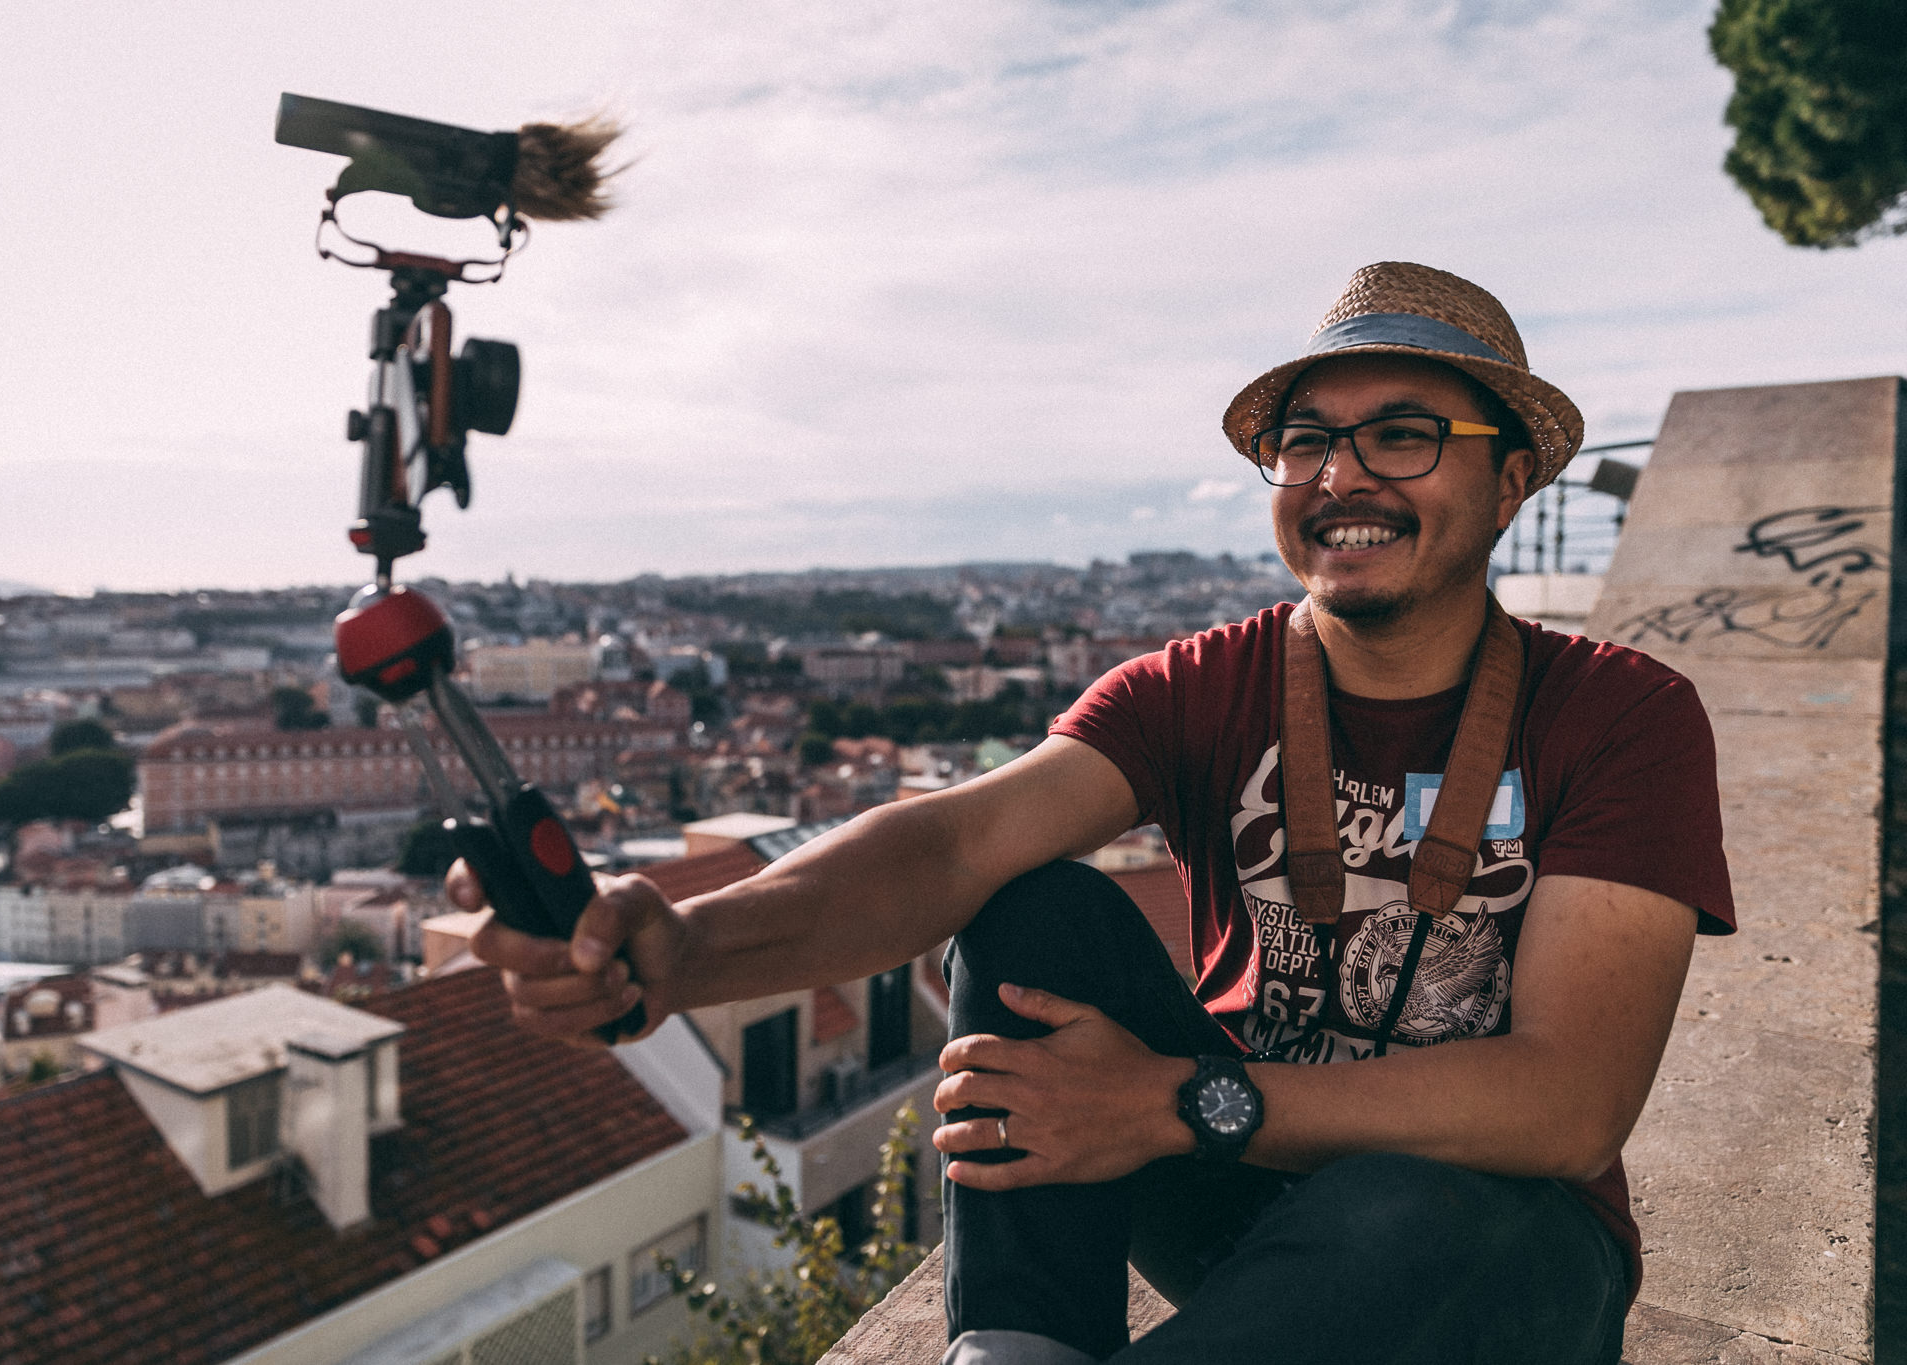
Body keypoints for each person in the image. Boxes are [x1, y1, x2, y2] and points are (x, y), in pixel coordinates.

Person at [457, 261, 1736, 1364]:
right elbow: (950, 843)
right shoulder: (1206, 685)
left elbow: (1566, 1105)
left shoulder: (1619, 715)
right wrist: (686, 948)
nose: (1342, 474)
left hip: (1495, 1243)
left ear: (1508, 481)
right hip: (1244, 1190)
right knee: (1031, 907)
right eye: (1306, 439)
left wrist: (1179, 1104)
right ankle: (1017, 1340)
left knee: (1409, 1212)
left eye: (1402, 435)